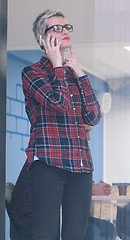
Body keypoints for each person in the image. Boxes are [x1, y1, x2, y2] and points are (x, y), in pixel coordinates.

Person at [21, 9, 102, 239]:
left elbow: (94, 117)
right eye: (56, 28)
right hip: (48, 164)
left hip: (81, 166)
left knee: (75, 235)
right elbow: (60, 104)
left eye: (66, 27)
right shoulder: (32, 73)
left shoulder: (74, 76)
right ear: (42, 39)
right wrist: (57, 66)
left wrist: (80, 74)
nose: (64, 31)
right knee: (46, 233)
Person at [9, 125, 117, 240]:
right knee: (92, 232)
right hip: (32, 220)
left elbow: (71, 179)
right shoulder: (50, 153)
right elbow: (55, 186)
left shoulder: (70, 153)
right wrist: (91, 189)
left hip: (59, 213)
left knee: (108, 228)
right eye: (85, 131)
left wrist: (92, 186)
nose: (89, 137)